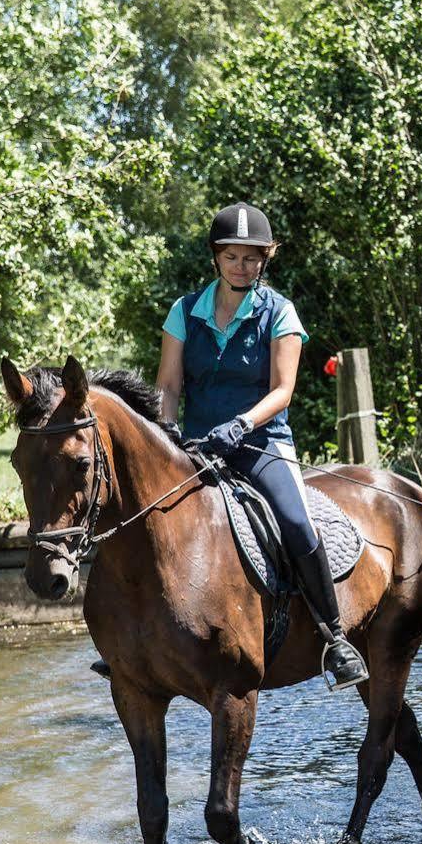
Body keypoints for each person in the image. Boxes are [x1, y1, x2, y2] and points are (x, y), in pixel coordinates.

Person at [156, 202, 367, 690]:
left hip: (261, 442)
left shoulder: (280, 313)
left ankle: (335, 638)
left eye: (252, 258)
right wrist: (168, 434)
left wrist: (241, 423)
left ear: (264, 260)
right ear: (216, 257)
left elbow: (283, 390)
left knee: (295, 520)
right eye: (233, 257)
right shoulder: (184, 312)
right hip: (196, 445)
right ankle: (135, 638)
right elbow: (168, 385)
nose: (242, 267)